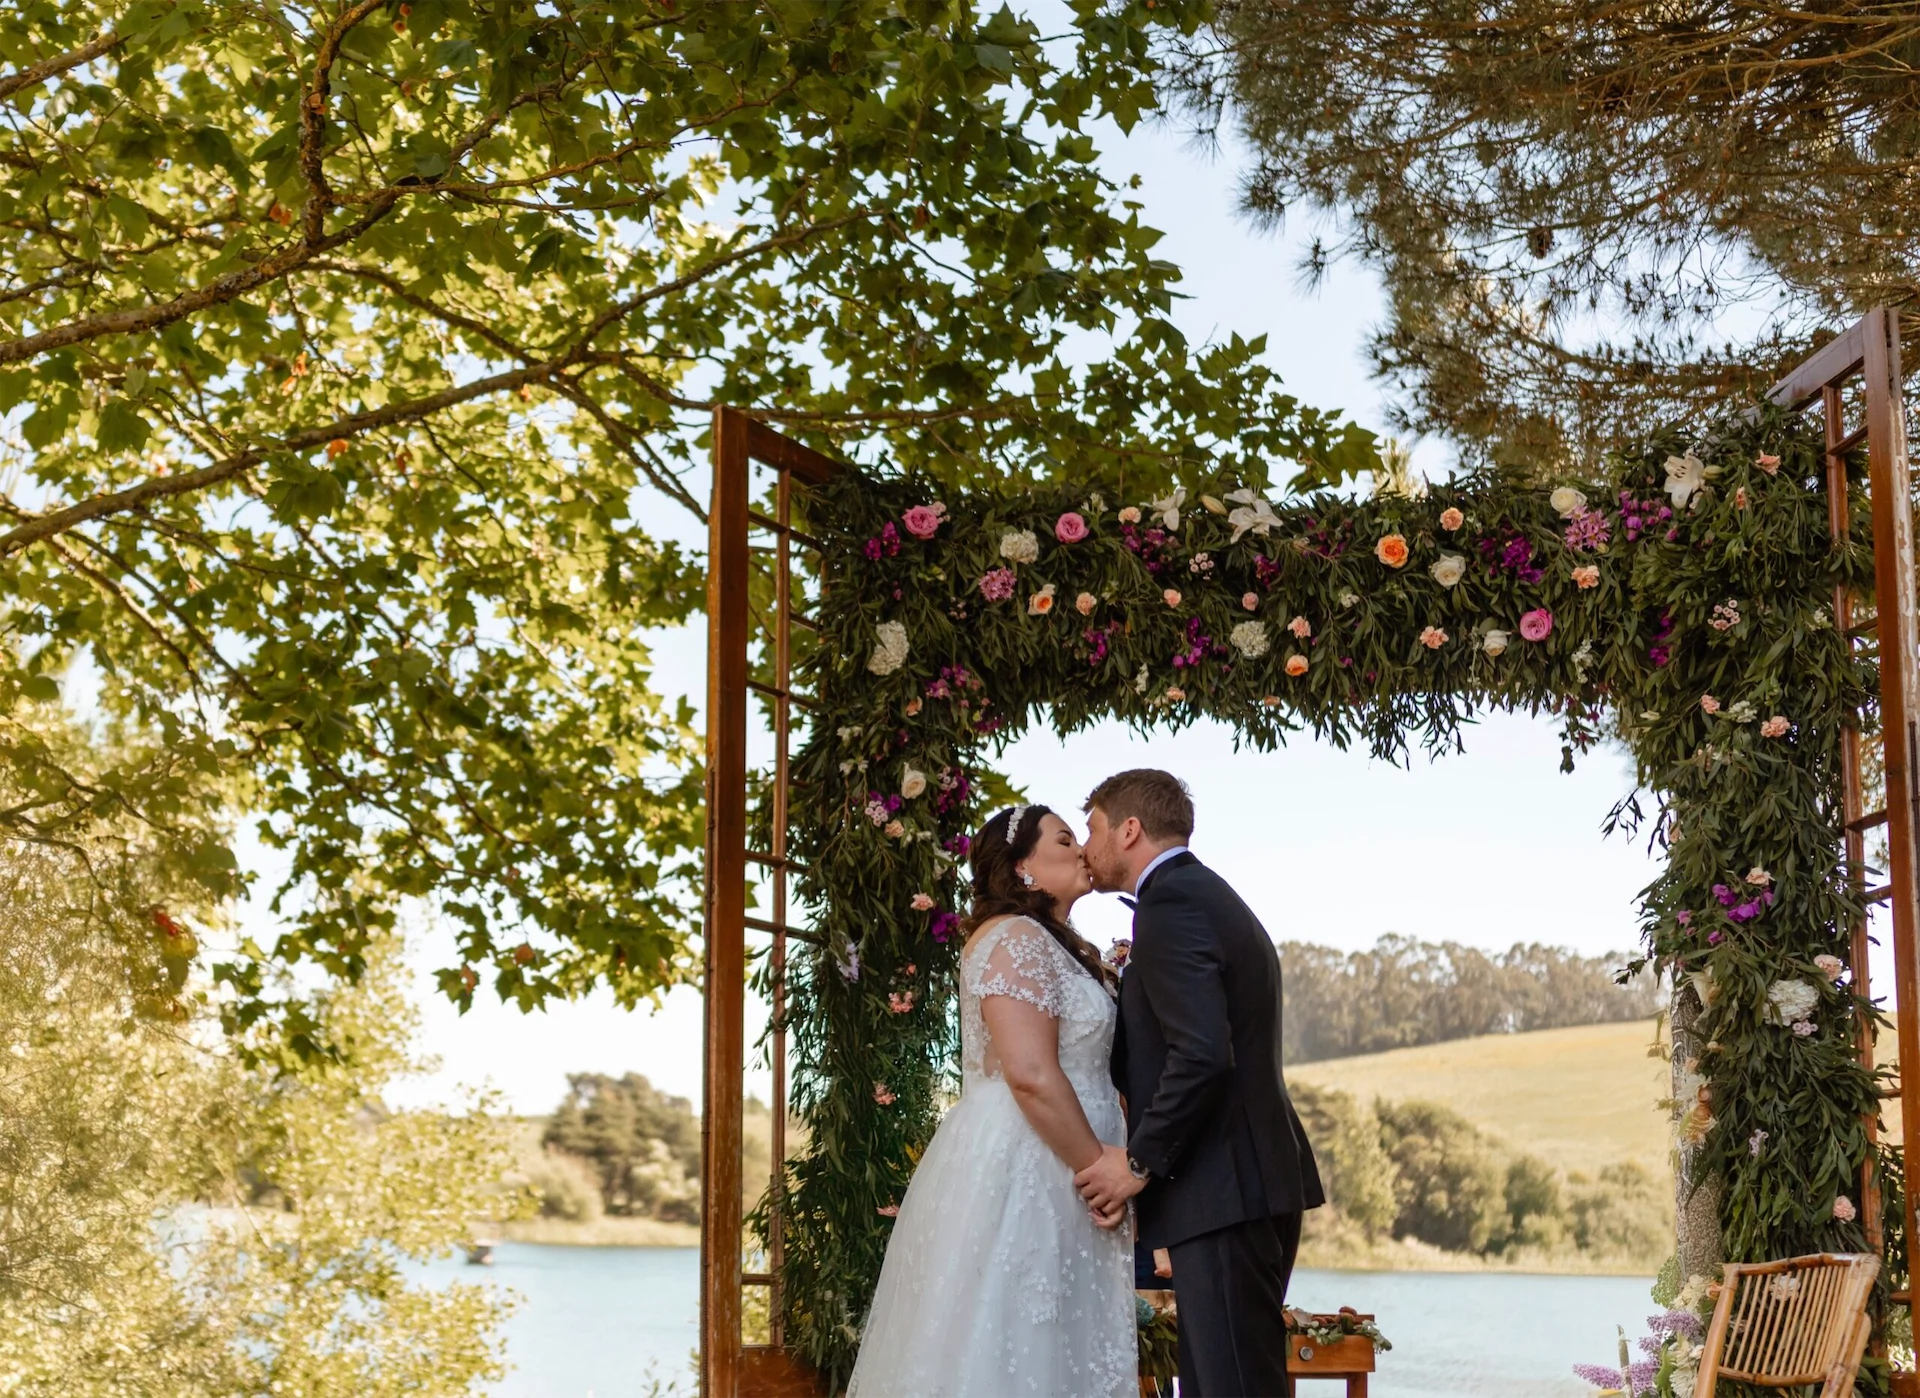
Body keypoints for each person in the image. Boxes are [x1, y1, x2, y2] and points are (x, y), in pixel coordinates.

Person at [846, 804, 1137, 1398]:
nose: (1083, 849)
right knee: (1015, 1339)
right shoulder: (1014, 937)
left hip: (1066, 1163)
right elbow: (1028, 1073)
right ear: (1023, 865)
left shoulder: (1058, 943)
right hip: (1037, 1160)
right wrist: (1098, 1171)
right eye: (1065, 839)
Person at [1075, 768, 1324, 1398]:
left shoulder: (1173, 905)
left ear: (1129, 830)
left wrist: (1138, 1162)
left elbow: (1203, 1054)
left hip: (1221, 1188)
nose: (1086, 845)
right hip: (1242, 1182)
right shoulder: (1203, 894)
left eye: (1093, 828)